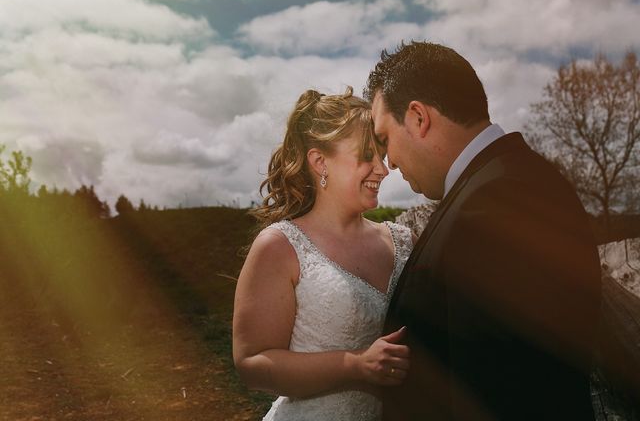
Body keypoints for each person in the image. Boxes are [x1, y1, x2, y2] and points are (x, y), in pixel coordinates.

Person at [366, 41, 602, 421]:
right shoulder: (497, 183)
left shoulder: (496, 201)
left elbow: (502, 389)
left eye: (384, 139)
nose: (389, 161)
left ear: (417, 118)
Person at [233, 87, 416, 420]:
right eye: (366, 155)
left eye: (381, 153)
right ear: (320, 162)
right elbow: (252, 364)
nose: (383, 169)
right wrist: (356, 365)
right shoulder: (279, 246)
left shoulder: (403, 242)